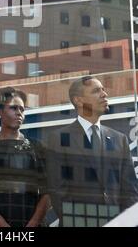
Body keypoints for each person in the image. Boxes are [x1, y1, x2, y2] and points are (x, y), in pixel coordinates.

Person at [47, 76, 138, 227]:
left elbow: (130, 190)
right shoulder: (58, 139)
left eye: (103, 89)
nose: (104, 94)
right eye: (96, 91)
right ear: (78, 100)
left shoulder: (119, 139)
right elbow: (58, 192)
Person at [0, 87, 49, 227]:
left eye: (22, 109)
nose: (19, 113)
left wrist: (33, 224)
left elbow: (48, 192)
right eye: (14, 108)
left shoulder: (38, 147)